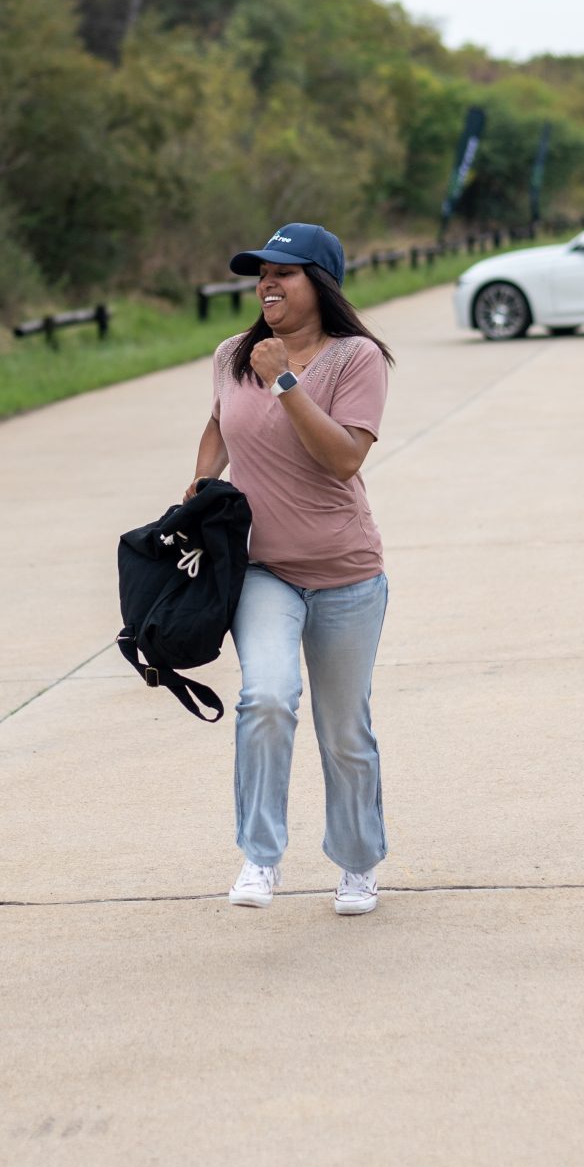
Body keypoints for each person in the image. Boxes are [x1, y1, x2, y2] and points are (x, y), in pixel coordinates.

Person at [185, 221, 394, 917]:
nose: (267, 284)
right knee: (267, 699)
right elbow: (219, 424)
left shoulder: (355, 358)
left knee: (343, 730)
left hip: (346, 572)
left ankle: (358, 863)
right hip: (262, 569)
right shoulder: (230, 354)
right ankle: (260, 855)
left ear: (320, 284)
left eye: (285, 272)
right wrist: (197, 489)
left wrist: (283, 379)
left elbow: (343, 458)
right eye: (260, 273)